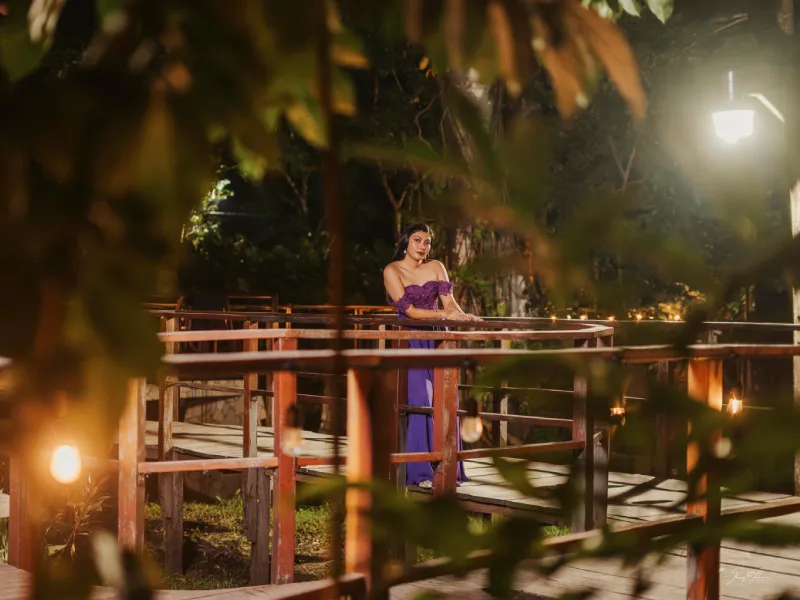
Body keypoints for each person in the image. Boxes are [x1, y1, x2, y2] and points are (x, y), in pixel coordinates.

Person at [383, 223, 480, 489]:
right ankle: (420, 471)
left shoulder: (437, 266)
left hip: (439, 336)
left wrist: (463, 316)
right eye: (417, 240)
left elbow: (450, 304)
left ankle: (448, 467)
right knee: (421, 399)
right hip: (411, 338)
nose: (423, 246)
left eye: (427, 242)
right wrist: (443, 314)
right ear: (406, 242)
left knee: (447, 397)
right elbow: (411, 312)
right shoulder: (392, 270)